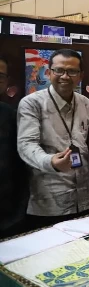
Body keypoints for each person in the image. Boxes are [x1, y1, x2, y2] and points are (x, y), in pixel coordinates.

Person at [17, 49, 89, 230]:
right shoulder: (31, 103)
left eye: (72, 71)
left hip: (85, 200)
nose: (65, 76)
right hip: (49, 204)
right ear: (49, 72)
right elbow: (26, 145)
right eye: (59, 70)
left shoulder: (87, 104)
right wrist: (50, 161)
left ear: (81, 75)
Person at [0, 55, 30, 238]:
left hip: (7, 218)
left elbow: (20, 167)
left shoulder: (9, 114)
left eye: (0, 75)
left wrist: (17, 216)